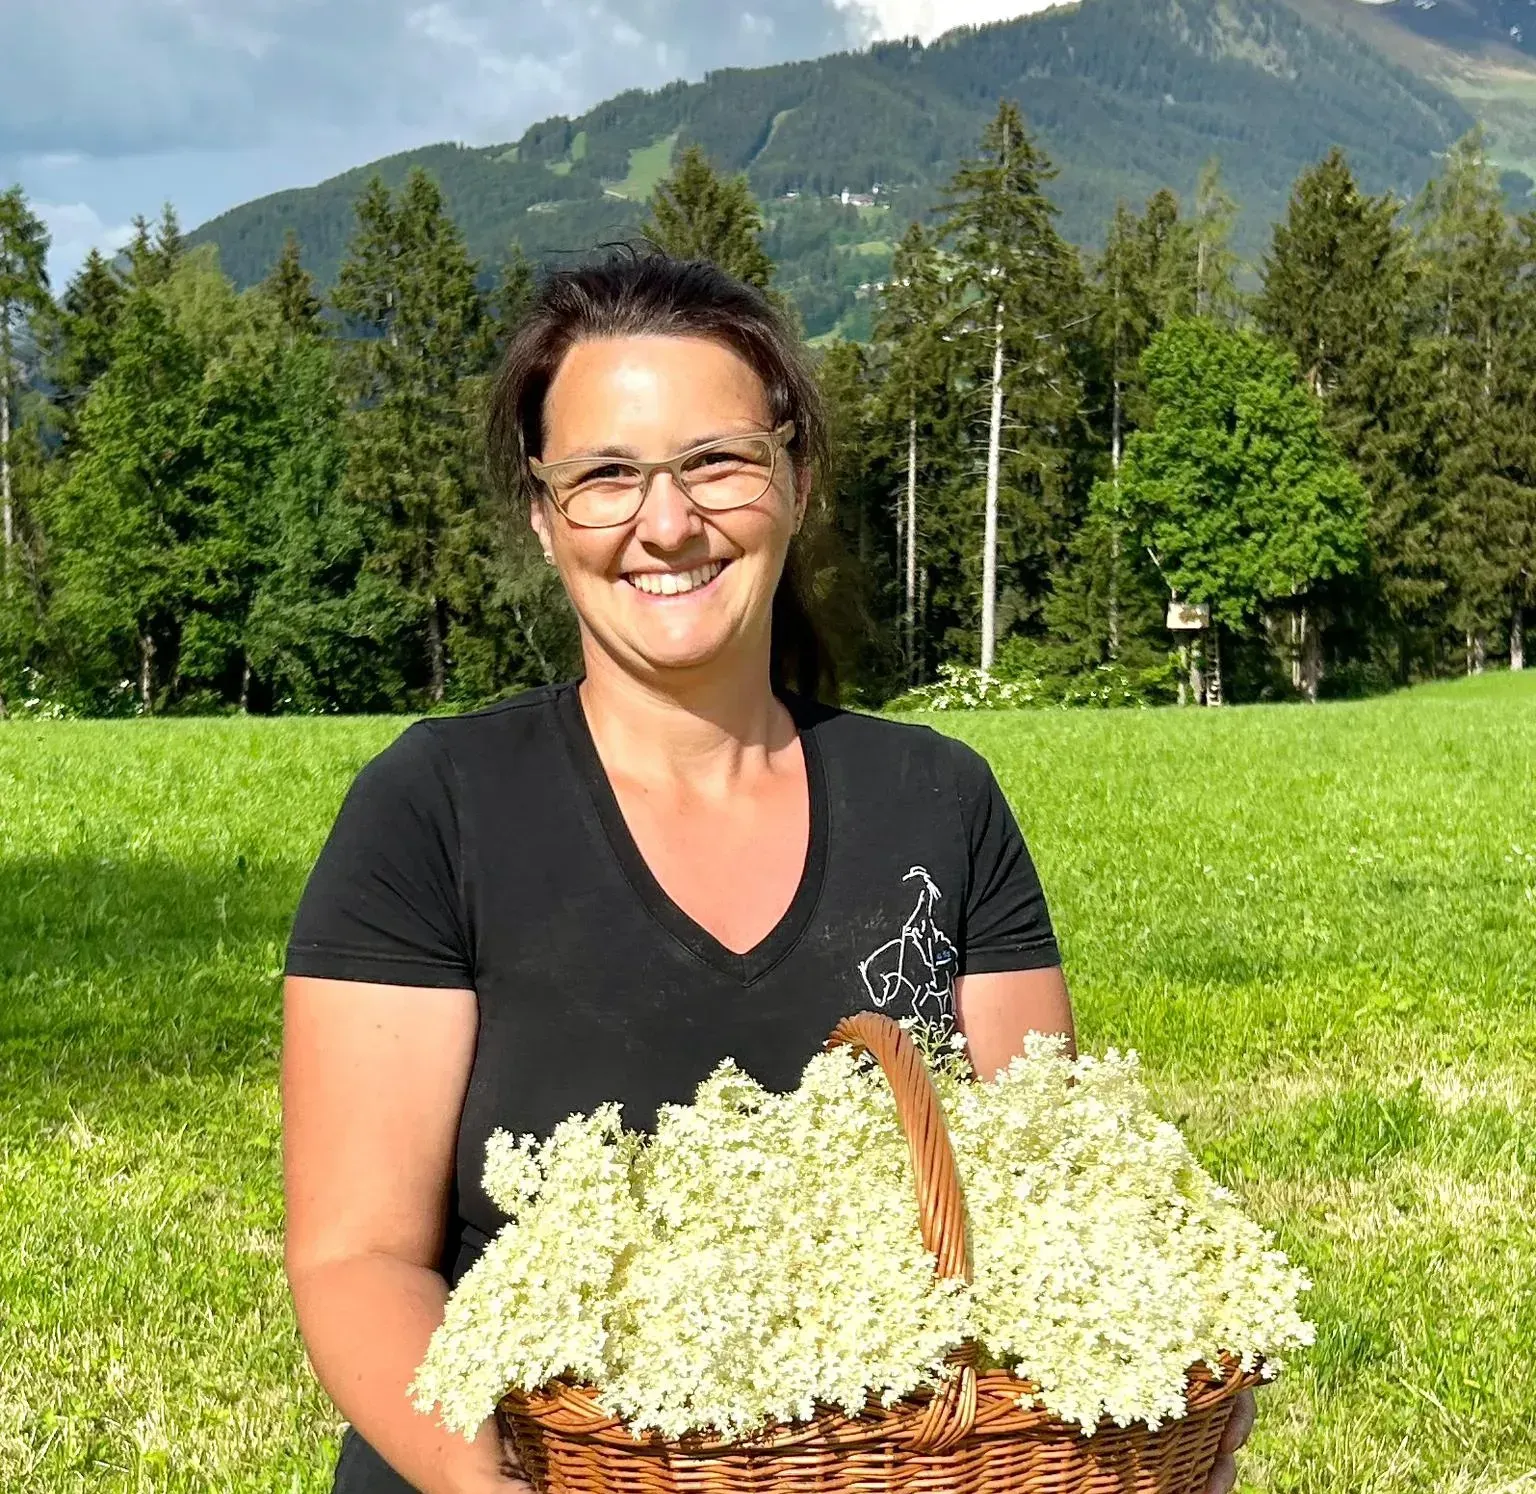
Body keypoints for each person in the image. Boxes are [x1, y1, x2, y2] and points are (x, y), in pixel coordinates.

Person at [280, 253, 1255, 1494]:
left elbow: (1064, 1188)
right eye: (605, 477)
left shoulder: (938, 801)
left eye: (718, 462)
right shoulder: (435, 811)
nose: (668, 521)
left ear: (796, 480)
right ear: (543, 513)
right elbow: (359, 1259)